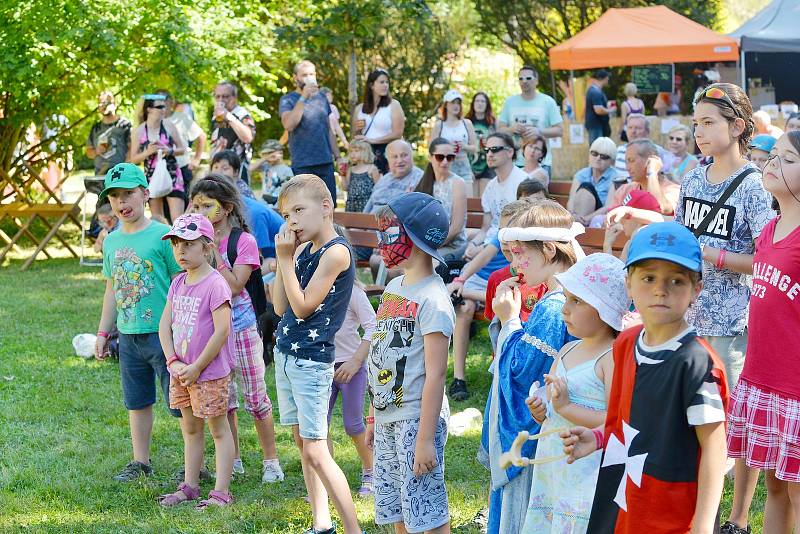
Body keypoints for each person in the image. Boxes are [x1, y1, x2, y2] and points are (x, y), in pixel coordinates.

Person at [561, 222, 728, 534]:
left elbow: (715, 451)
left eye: (676, 280)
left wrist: (703, 526)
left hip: (671, 509)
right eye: (648, 277)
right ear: (628, 283)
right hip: (622, 495)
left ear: (696, 289)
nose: (660, 290)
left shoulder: (696, 364)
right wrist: (599, 437)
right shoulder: (625, 343)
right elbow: (626, 418)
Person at [481, 200, 580, 534]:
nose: (514, 264)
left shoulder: (555, 307)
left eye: (520, 253)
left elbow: (521, 370)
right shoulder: (562, 298)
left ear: (549, 249)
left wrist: (509, 320)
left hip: (536, 436)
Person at [272, 175, 361, 534]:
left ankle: (354, 529)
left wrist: (284, 259)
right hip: (286, 354)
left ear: (326, 207)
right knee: (302, 443)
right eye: (286, 214)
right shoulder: (303, 250)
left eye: (298, 210)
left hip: (311, 360)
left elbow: (305, 306)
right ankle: (321, 522)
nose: (291, 221)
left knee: (316, 450)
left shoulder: (336, 252)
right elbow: (280, 307)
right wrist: (287, 259)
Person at [365, 192, 454, 533]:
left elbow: (436, 374)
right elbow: (382, 354)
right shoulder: (394, 286)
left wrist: (425, 439)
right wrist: (374, 416)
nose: (382, 241)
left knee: (426, 511)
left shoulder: (433, 299)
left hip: (417, 420)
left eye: (390, 233)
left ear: (414, 237)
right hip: (389, 417)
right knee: (396, 509)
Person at [676, 83, 775, 389]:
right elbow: (680, 236)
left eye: (708, 123)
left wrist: (709, 253)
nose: (698, 132)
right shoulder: (692, 178)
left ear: (737, 127)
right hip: (685, 317)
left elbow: (769, 262)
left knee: (727, 418)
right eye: (696, 124)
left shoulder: (754, 185)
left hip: (731, 327)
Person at [726, 131, 800, 534]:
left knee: (798, 493)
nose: (772, 163)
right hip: (763, 377)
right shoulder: (770, 228)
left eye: (788, 159)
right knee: (774, 486)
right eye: (775, 156)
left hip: (795, 387)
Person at [522, 254, 627, 533]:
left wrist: (567, 408)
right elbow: (551, 402)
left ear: (604, 309)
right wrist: (541, 409)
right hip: (553, 467)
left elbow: (617, 423)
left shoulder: (611, 358)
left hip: (586, 471)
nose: (564, 310)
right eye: (566, 299)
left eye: (576, 301)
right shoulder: (567, 351)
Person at [189, 175, 283, 484]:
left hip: (241, 329)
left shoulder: (243, 241)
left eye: (206, 205)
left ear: (227, 208)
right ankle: (234, 456)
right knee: (223, 399)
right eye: (195, 205)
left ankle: (271, 460)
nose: (199, 211)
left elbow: (234, 285)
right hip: (212, 331)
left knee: (255, 398)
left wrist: (212, 250)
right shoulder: (195, 241)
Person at [93, 163, 183, 481]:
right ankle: (140, 462)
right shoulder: (112, 242)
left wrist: (182, 328)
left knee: (180, 402)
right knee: (137, 400)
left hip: (164, 335)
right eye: (115, 196)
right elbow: (111, 288)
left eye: (128, 193)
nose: (121, 202)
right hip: (128, 335)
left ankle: (194, 461)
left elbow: (180, 283)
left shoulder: (163, 236)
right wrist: (104, 331)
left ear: (145, 194)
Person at [156, 213, 236, 509]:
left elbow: (223, 329)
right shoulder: (178, 283)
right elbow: (166, 325)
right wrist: (172, 360)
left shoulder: (216, 284)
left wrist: (198, 366)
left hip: (209, 372)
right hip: (181, 371)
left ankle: (221, 492)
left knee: (218, 429)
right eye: (176, 244)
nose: (180, 251)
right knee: (190, 428)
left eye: (188, 244)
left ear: (207, 248)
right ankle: (190, 485)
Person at [447, 201, 522, 400]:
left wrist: (465, 291)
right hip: (481, 279)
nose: (503, 236)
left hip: (495, 288)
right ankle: (458, 378)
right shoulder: (502, 237)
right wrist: (461, 280)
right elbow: (481, 259)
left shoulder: (524, 266)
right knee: (464, 308)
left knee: (489, 308)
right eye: (501, 230)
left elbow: (498, 300)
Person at [328, 261, 377, 499]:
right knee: (318, 427)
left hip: (351, 369)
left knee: (353, 425)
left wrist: (356, 361)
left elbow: (373, 326)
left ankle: (371, 471)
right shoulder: (312, 289)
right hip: (321, 367)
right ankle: (324, 477)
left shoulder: (353, 292)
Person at [280, 60, 338, 202]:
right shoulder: (288, 100)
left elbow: (329, 129)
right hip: (302, 164)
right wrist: (304, 97)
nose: (309, 78)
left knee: (328, 206)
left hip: (325, 162)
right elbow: (289, 125)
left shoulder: (322, 98)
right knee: (304, 207)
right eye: (304, 75)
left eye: (312, 74)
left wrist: (338, 156)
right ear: (295, 78)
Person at [210, 151, 283, 260]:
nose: (218, 172)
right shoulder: (234, 202)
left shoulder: (251, 212)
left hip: (274, 258)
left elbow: (258, 257)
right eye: (215, 167)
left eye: (225, 168)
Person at [465, 132, 528, 260]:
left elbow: (519, 231)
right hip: (488, 246)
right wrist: (473, 244)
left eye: (495, 149)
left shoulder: (523, 183)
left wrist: (482, 250)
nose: (489, 154)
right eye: (487, 150)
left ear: (510, 152)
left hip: (509, 251)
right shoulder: (490, 187)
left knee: (463, 274)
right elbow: (486, 228)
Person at [129, 94, 187, 222]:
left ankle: (181, 242)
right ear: (149, 109)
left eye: (165, 106)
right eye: (160, 106)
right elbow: (133, 159)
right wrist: (148, 152)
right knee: (158, 219)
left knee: (178, 220)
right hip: (152, 176)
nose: (164, 109)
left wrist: (169, 150)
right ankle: (163, 242)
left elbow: (183, 149)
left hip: (173, 174)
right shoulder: (139, 131)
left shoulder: (169, 126)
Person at [498, 65, 563, 175]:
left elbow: (560, 130)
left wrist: (539, 131)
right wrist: (512, 129)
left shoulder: (548, 102)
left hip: (541, 162)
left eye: (528, 78)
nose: (524, 81)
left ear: (536, 81)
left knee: (538, 193)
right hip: (515, 162)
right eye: (521, 79)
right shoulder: (510, 102)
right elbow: (500, 130)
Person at [414, 137, 468, 261]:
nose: (445, 162)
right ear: (430, 157)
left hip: (453, 245)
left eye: (449, 157)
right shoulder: (423, 183)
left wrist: (430, 247)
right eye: (440, 157)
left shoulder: (457, 183)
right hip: (426, 244)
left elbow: (456, 228)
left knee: (424, 263)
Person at [353, 68, 405, 174]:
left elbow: (398, 134)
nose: (385, 85)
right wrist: (358, 131)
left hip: (387, 153)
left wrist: (373, 140)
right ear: (371, 85)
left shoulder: (394, 105)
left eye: (387, 82)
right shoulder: (359, 109)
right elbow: (356, 135)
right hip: (366, 155)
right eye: (381, 82)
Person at [157, 89, 206, 200]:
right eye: (157, 100)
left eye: (164, 99)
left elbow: (201, 136)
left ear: (171, 101)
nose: (161, 103)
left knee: (182, 210)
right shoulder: (154, 120)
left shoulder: (181, 118)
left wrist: (196, 159)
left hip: (181, 168)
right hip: (160, 171)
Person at [210, 81, 256, 183]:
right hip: (218, 168)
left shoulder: (242, 115)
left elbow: (248, 137)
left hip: (236, 170)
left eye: (225, 96)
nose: (221, 100)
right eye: (217, 97)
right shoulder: (216, 116)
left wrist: (229, 117)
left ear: (234, 98)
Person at [432, 89, 478, 189]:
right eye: (453, 102)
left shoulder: (467, 123)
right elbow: (431, 149)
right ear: (446, 105)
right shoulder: (439, 126)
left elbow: (475, 148)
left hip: (464, 166)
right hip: (445, 167)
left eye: (458, 103)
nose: (456, 105)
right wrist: (446, 148)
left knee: (468, 200)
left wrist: (464, 146)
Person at [362, 139, 423, 215]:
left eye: (404, 155)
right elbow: (369, 206)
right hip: (370, 223)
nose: (400, 160)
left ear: (411, 156)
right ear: (388, 159)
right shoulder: (384, 179)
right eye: (394, 157)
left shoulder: (420, 178)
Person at [567, 137, 618, 225]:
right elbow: (571, 200)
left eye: (604, 156)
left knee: (586, 187)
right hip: (577, 216)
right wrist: (573, 215)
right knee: (585, 187)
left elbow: (608, 207)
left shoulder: (615, 177)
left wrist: (585, 219)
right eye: (594, 153)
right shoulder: (581, 174)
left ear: (611, 161)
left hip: (599, 217)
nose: (598, 158)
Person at [603, 190, 664, 260]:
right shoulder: (629, 244)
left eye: (624, 217)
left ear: (639, 219)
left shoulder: (649, 238)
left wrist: (629, 213)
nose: (621, 220)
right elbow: (617, 271)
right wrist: (607, 246)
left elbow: (659, 219)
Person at [86, 91, 131, 176]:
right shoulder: (96, 128)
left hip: (120, 175)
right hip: (100, 176)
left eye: (106, 102)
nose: (103, 105)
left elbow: (132, 150)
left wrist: (124, 170)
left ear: (115, 104)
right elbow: (89, 152)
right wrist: (96, 151)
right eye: (100, 103)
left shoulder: (124, 125)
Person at [466, 91, 497, 194]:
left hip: (488, 165)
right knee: (472, 200)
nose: (480, 104)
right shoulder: (467, 121)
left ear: (487, 104)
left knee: (484, 200)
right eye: (477, 101)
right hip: (469, 165)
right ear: (473, 104)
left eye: (483, 101)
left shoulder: (493, 123)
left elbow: (498, 143)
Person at [251, 139, 294, 205]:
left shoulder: (286, 170)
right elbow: (251, 168)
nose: (268, 156)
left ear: (280, 153)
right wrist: (265, 158)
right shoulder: (265, 166)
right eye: (265, 154)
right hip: (265, 202)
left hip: (278, 203)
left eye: (270, 153)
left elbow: (289, 190)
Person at [342, 139, 380, 213]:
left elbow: (378, 189)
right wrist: (342, 174)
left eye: (356, 151)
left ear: (365, 152)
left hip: (367, 206)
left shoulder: (372, 168)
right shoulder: (350, 169)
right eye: (351, 151)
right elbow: (345, 188)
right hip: (351, 206)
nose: (352, 154)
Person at [584, 70, 611, 144]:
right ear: (603, 78)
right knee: (597, 148)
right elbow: (598, 110)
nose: (608, 79)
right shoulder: (595, 92)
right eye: (607, 77)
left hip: (597, 125)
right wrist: (610, 110)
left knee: (599, 148)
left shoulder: (596, 91)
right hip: (595, 126)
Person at [320, 87, 349, 151]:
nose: (331, 96)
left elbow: (337, 126)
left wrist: (344, 141)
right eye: (329, 95)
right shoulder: (318, 108)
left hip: (332, 138)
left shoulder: (333, 108)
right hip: (322, 139)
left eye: (331, 95)